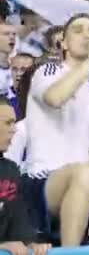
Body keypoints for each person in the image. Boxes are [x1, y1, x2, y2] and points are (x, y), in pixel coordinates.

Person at [21, 13, 89, 246]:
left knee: (86, 172)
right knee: (82, 171)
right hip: (39, 182)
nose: (87, 35)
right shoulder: (48, 72)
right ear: (62, 42)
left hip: (79, 192)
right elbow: (54, 97)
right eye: (78, 30)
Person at [0, 97, 51, 255]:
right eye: (8, 123)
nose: (14, 129)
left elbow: (18, 219)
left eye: (14, 122)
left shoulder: (10, 171)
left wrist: (30, 243)